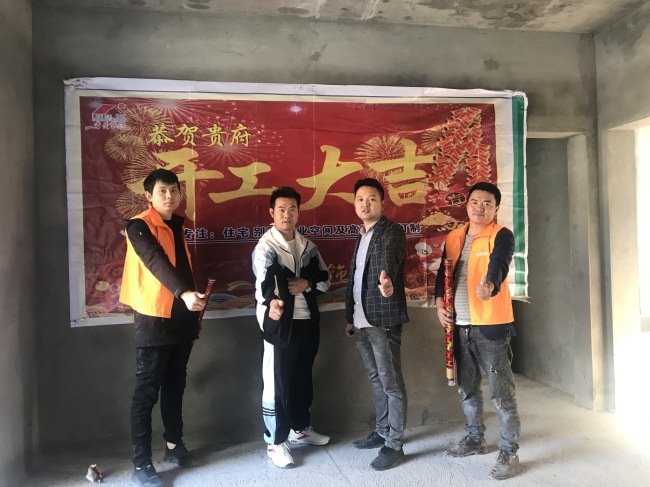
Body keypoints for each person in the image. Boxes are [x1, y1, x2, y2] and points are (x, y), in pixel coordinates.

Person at [119, 169, 206, 487]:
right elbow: (155, 261)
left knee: (175, 384)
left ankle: (174, 445)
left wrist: (190, 299)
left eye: (173, 190)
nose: (169, 196)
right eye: (162, 191)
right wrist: (184, 293)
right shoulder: (139, 226)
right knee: (146, 393)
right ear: (148, 196)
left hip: (181, 318)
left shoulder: (176, 225)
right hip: (153, 319)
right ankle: (141, 463)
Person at [435, 181, 521, 480]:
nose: (480, 207)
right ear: (467, 204)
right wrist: (439, 303)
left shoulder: (501, 235)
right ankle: (475, 439)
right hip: (459, 327)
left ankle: (509, 452)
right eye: (475, 202)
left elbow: (500, 262)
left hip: (490, 328)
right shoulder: (455, 236)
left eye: (487, 203)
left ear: (495, 208)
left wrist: (490, 285)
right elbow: (443, 273)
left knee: (502, 394)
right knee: (467, 388)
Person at [252, 187, 332, 469]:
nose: (287, 214)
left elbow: (325, 280)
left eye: (292, 209)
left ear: (299, 212)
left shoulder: (309, 247)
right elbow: (263, 286)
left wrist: (306, 284)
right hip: (279, 324)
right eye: (281, 209)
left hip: (307, 321)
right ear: (272, 213)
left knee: (302, 377)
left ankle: (300, 429)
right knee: (277, 383)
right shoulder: (266, 247)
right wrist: (273, 304)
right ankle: (275, 441)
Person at [345, 177, 409, 471]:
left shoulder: (391, 232)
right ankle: (382, 431)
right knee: (376, 379)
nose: (365, 204)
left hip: (382, 319)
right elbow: (355, 279)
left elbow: (387, 265)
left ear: (383, 203)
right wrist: (350, 317)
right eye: (360, 199)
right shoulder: (360, 235)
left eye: (371, 198)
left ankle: (394, 444)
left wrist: (387, 284)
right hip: (361, 321)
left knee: (391, 383)